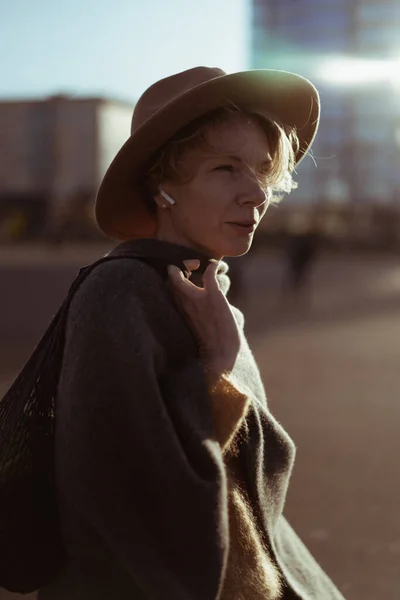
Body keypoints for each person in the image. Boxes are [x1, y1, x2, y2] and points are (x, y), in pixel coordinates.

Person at [37, 66, 345, 599]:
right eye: (225, 168)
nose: (255, 193)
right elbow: (121, 502)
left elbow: (250, 487)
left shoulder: (209, 287)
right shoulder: (120, 294)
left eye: (261, 170)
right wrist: (216, 369)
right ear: (161, 185)